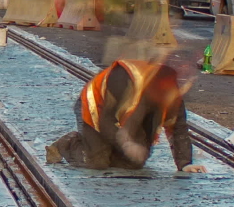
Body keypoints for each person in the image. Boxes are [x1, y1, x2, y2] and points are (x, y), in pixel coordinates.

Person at [46, 59, 207, 173]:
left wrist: (185, 164)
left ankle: (113, 152)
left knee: (134, 163)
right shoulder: (123, 82)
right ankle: (69, 144)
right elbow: (106, 121)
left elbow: (178, 128)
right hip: (96, 107)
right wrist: (127, 144)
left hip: (131, 117)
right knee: (98, 162)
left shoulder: (170, 95)